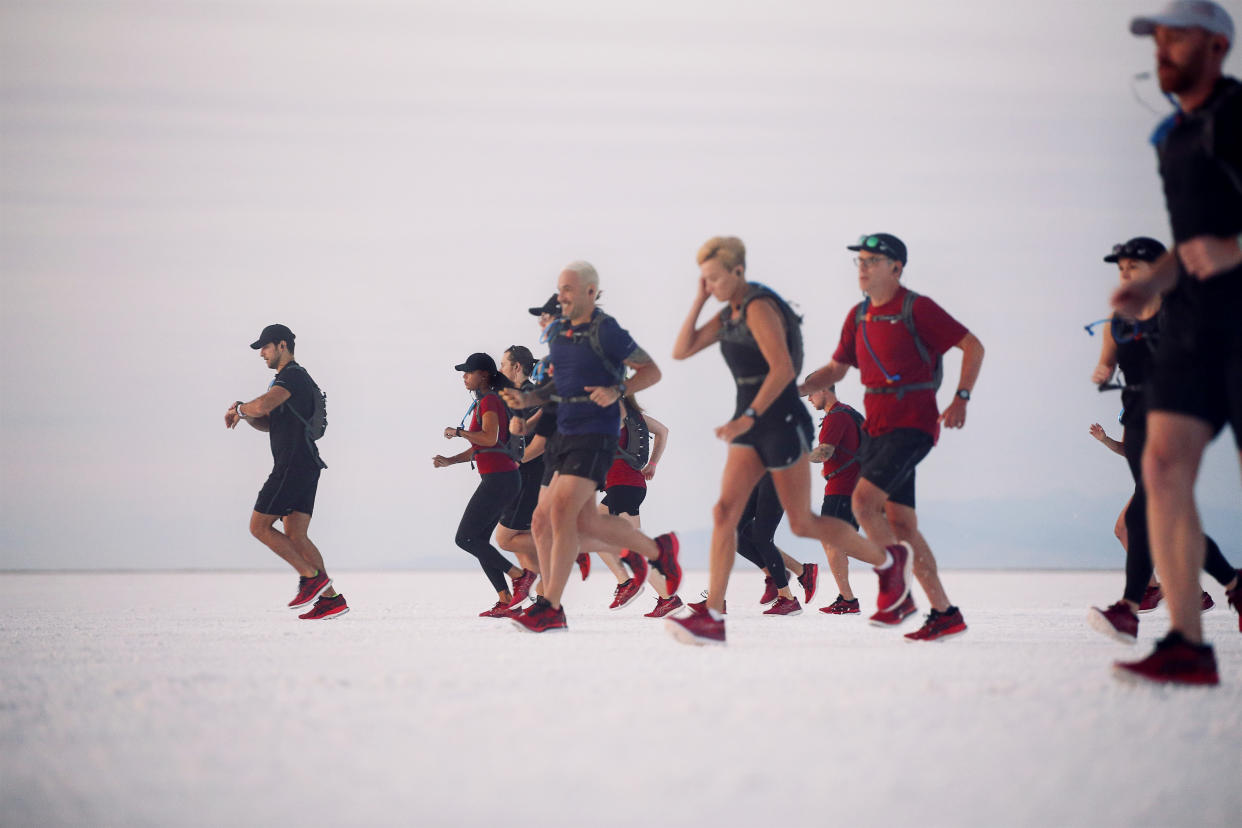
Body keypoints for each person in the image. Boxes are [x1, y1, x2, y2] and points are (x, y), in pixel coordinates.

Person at [666, 236, 913, 646]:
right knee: (725, 513)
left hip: (779, 422)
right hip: (751, 426)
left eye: (714, 278)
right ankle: (711, 617)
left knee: (801, 523)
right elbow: (682, 349)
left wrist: (747, 417)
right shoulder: (729, 313)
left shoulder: (760, 306)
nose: (710, 285)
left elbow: (781, 368)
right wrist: (700, 299)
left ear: (738, 272)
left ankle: (890, 561)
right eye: (703, 279)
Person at [1112, 1, 1242, 684]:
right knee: (1160, 468)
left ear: (1217, 46)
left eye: (1179, 36)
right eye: (1157, 37)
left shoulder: (1237, 117)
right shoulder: (1172, 134)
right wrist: (1150, 283)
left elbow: (1224, 242)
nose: (1164, 48)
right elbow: (1191, 244)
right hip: (1194, 320)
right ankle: (1187, 643)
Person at [801, 233, 985, 642]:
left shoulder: (917, 308)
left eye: (872, 260)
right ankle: (944, 611)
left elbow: (972, 346)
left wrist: (961, 397)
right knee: (902, 524)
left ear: (896, 268)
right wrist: (791, 391)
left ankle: (896, 593)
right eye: (860, 261)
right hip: (878, 429)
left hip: (913, 422)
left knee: (863, 503)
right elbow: (836, 370)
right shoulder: (858, 315)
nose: (863, 268)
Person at [501, 261, 681, 633]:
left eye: (568, 289)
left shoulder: (607, 330)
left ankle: (550, 606)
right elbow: (558, 390)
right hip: (563, 437)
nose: (562, 296)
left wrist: (619, 390)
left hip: (596, 435)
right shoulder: (559, 336)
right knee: (550, 521)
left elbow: (651, 371)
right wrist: (529, 399)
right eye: (559, 289)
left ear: (589, 292)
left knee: (565, 513)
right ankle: (657, 551)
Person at [1086, 238, 1238, 645]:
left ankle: (1130, 608)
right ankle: (1232, 583)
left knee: (1145, 514)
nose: (1125, 275)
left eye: (1132, 267)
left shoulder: (1181, 312)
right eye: (1120, 269)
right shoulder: (1120, 316)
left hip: (1174, 412)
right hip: (1135, 413)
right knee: (1163, 515)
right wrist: (1101, 371)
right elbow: (1108, 358)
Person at [225, 324, 347, 620]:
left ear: (282, 345)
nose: (262, 354)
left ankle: (311, 577)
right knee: (296, 534)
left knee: (259, 526)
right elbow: (269, 420)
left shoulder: (291, 376)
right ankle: (330, 600)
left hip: (292, 465)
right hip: (306, 464)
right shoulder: (289, 381)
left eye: (265, 348)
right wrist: (248, 416)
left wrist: (241, 409)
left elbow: (264, 405)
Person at [433, 353, 537, 617]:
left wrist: (458, 432)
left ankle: (519, 577)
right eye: (463, 373)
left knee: (465, 538)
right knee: (478, 539)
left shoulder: (490, 399)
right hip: (500, 478)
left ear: (485, 374)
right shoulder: (487, 400)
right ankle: (506, 600)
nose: (464, 377)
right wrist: (450, 460)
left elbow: (489, 438)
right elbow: (481, 445)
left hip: (500, 479)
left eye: (469, 372)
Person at [578, 395, 684, 617]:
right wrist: (652, 464)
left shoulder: (614, 413)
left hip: (622, 486)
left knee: (635, 546)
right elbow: (663, 431)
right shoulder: (635, 416)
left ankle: (668, 598)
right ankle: (626, 581)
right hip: (625, 486)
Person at [685, 474, 820, 616]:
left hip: (778, 477)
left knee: (761, 538)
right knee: (732, 531)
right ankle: (789, 574)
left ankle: (787, 598)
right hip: (757, 476)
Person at [807, 385, 864, 615]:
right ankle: (847, 598)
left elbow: (824, 453)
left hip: (843, 489)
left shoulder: (837, 416)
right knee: (839, 543)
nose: (809, 399)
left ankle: (893, 560)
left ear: (823, 389)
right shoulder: (847, 412)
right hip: (849, 487)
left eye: (811, 393)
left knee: (834, 542)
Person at [494, 344, 544, 579]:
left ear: (516, 367)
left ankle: (571, 548)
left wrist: (515, 463)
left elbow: (541, 443)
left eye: (503, 364)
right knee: (520, 544)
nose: (500, 369)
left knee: (505, 539)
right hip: (520, 478)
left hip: (529, 478)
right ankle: (541, 602)